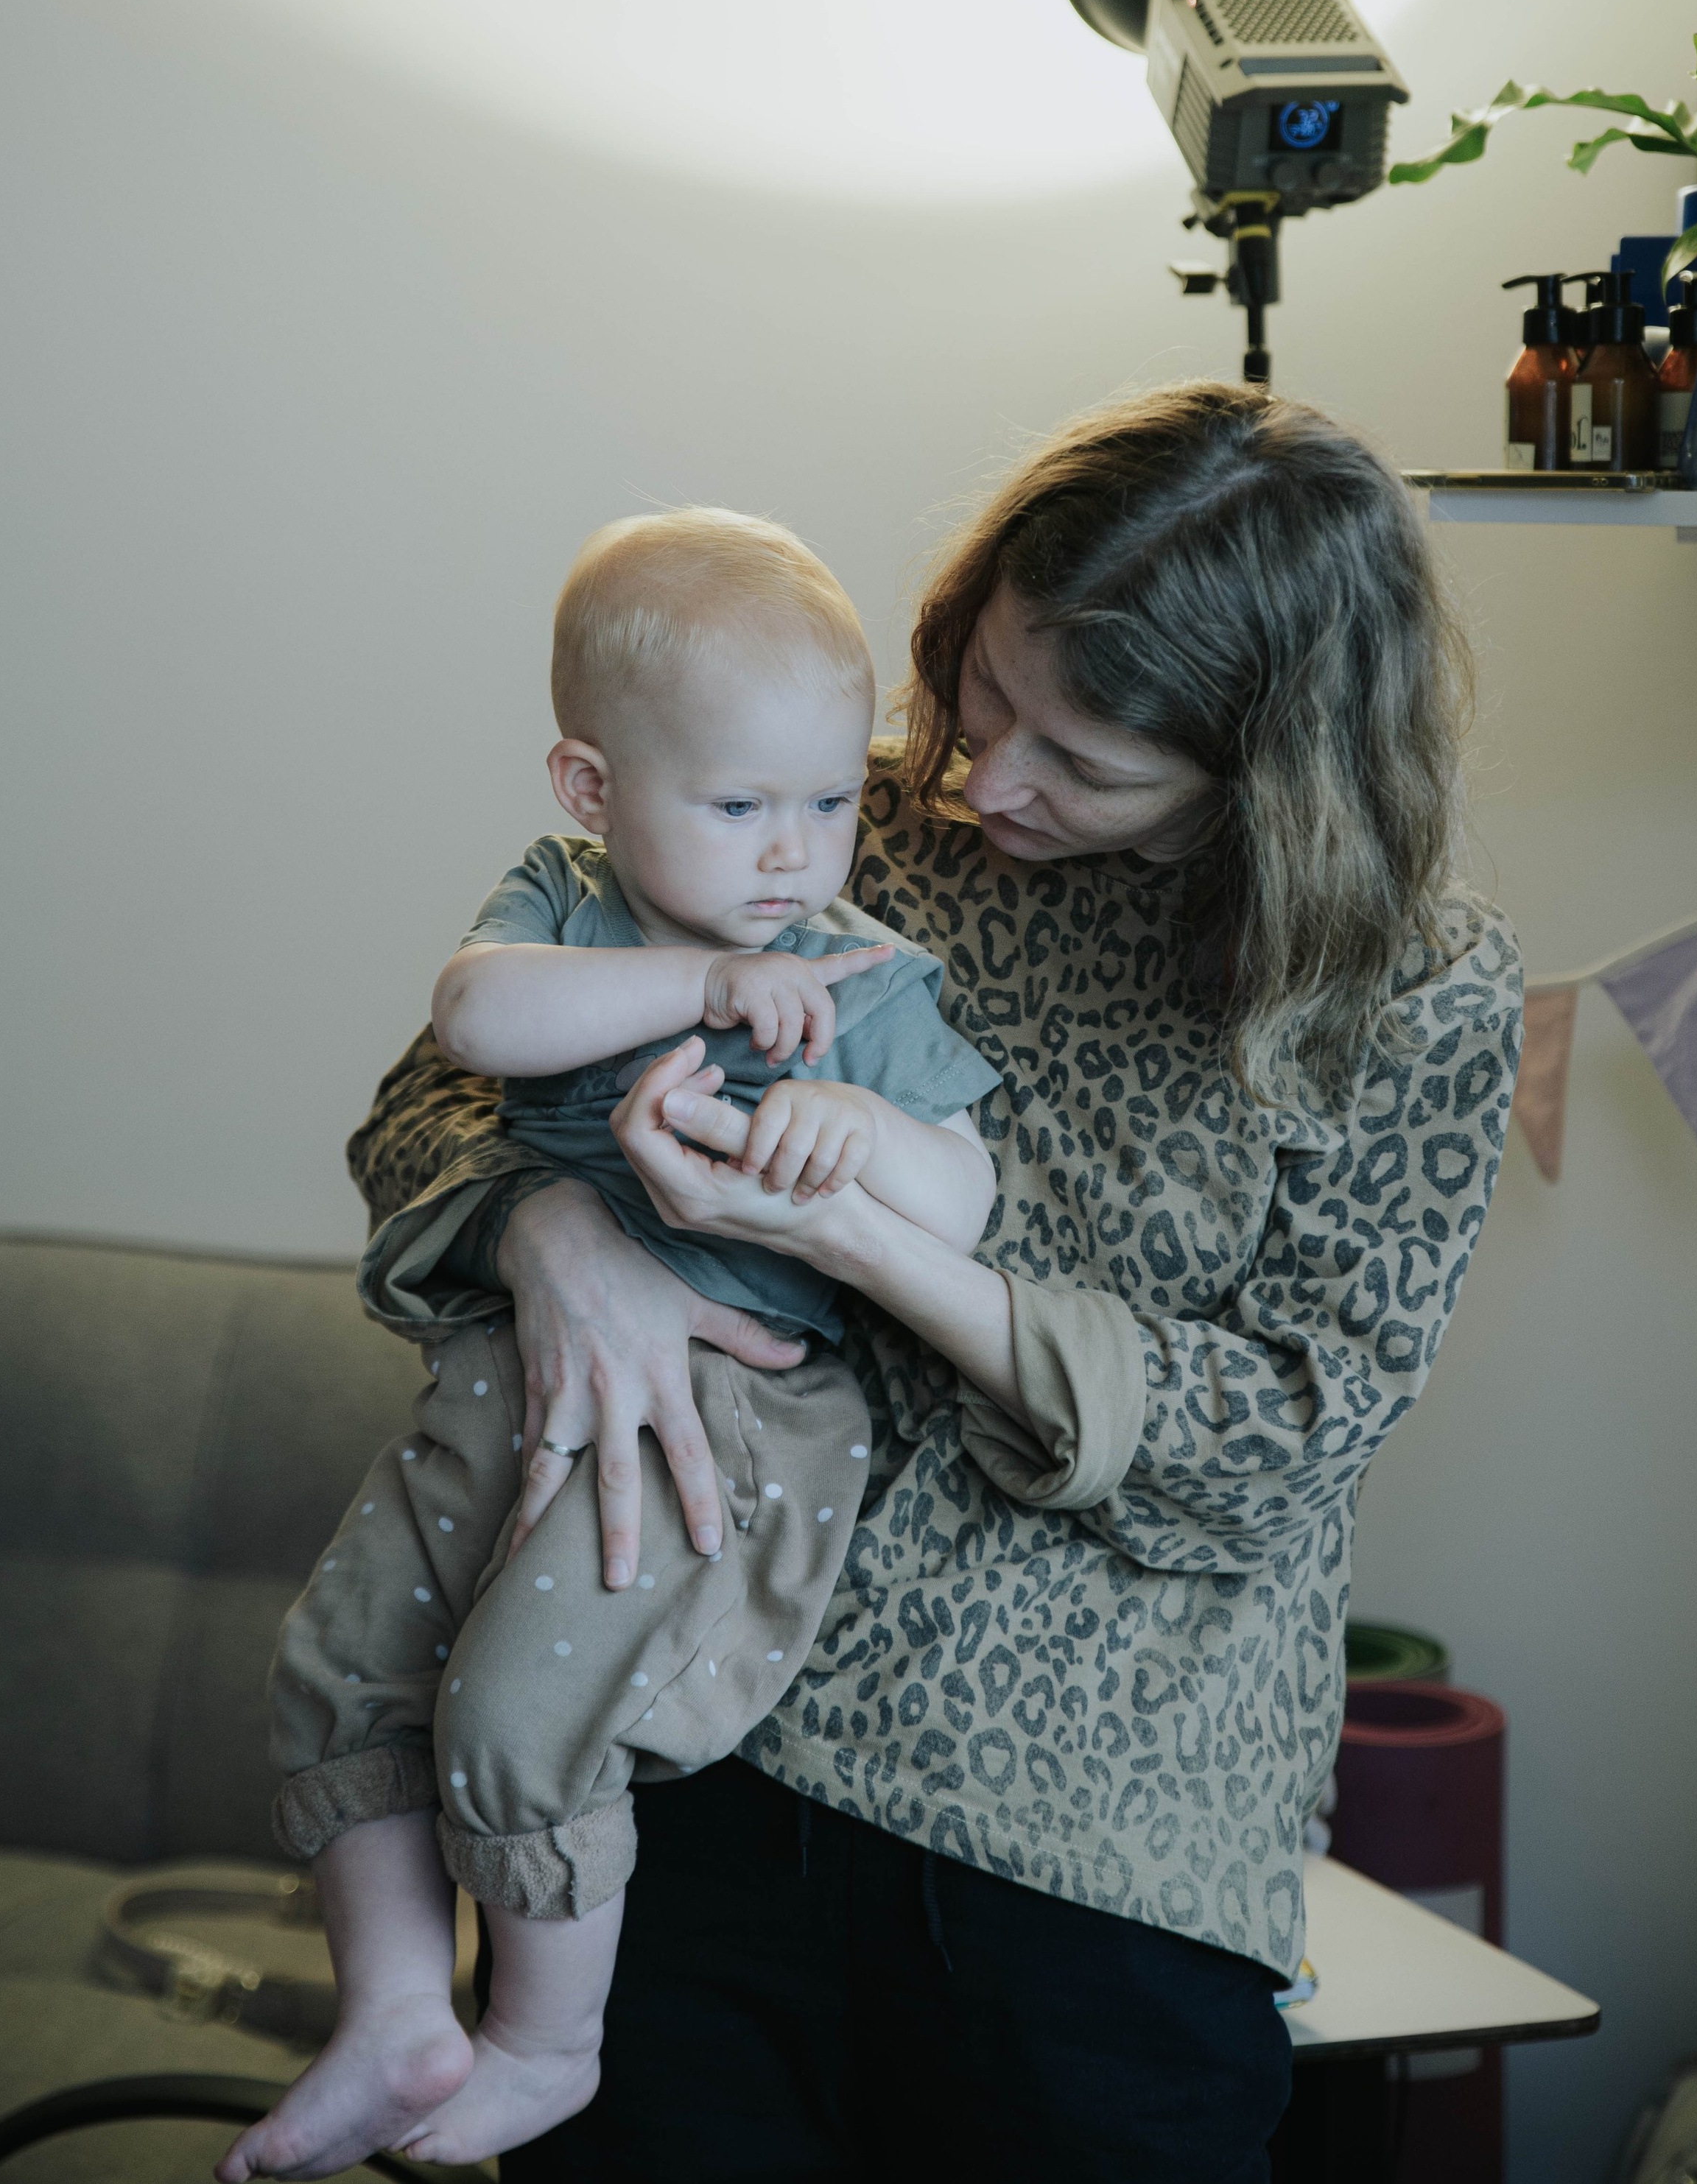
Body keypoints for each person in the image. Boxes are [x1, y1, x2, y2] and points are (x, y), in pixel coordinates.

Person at [345, 382, 1523, 2184]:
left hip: (1088, 1863)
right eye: (984, 695)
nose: (988, 783)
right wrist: (552, 1237)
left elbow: (1277, 1441)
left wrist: (869, 1248)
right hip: (695, 1749)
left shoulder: (1408, 990)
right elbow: (430, 1098)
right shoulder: (836, 823)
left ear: (1265, 773)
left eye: (1084, 762)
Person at [220, 510, 999, 2179]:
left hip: (728, 1407)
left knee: (518, 1709)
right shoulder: (565, 907)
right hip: (504, 1372)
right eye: (739, 807)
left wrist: (861, 1135)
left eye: (828, 804)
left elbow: (962, 1195)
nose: (795, 855)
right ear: (590, 788)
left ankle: (546, 2041)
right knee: (340, 1662)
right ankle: (392, 2017)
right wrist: (699, 984)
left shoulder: (859, 974)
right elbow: (475, 1018)